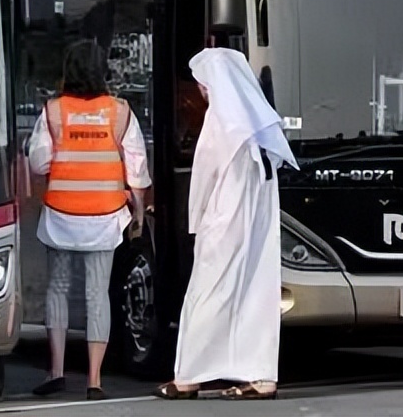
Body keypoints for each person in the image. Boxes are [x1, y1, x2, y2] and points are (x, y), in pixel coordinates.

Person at [155, 48, 296, 401]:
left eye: (204, 83)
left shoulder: (222, 121)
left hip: (224, 219)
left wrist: (196, 222)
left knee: (208, 292)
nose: (201, 91)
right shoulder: (260, 122)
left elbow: (204, 176)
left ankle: (188, 377)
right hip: (258, 224)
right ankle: (261, 376)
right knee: (256, 293)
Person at [27, 40, 149, 401]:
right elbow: (137, 168)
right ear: (102, 71)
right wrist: (138, 211)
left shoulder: (53, 111)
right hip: (105, 215)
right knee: (98, 294)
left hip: (61, 215)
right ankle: (94, 380)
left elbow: (38, 163)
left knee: (59, 289)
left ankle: (57, 372)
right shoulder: (120, 112)